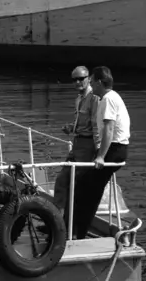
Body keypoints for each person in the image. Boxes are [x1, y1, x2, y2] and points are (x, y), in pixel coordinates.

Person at [71, 66, 130, 240]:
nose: (90, 84)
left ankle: (78, 234)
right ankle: (76, 228)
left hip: (115, 150)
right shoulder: (113, 97)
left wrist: (100, 156)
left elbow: (109, 130)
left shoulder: (107, 100)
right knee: (86, 186)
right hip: (117, 149)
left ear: (97, 82)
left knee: (88, 190)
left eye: (91, 81)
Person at [54, 66, 98, 216]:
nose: (78, 82)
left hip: (88, 145)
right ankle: (57, 221)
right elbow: (81, 123)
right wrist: (71, 128)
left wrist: (99, 152)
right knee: (61, 181)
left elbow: (96, 126)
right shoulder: (79, 99)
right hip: (77, 143)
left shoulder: (94, 98)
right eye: (75, 79)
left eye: (81, 78)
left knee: (77, 185)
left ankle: (73, 222)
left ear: (89, 78)